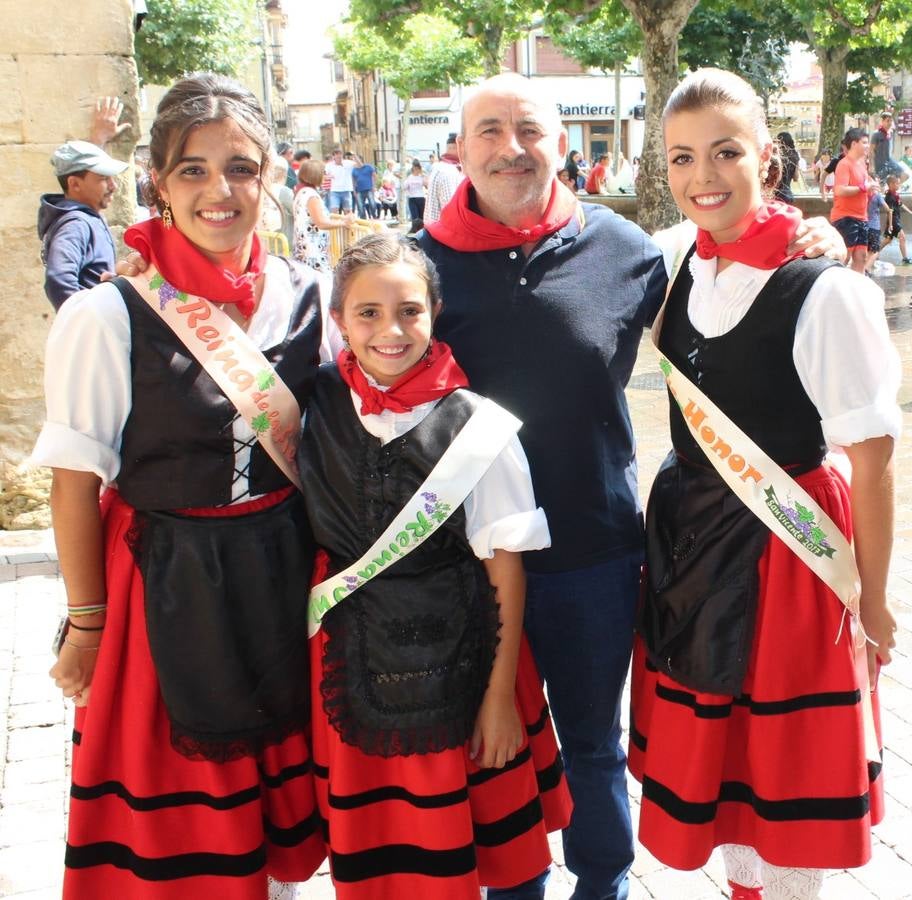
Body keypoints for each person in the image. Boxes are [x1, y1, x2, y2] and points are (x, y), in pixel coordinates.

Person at [416, 71, 843, 900]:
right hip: (460, 559)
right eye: (490, 132)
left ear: (562, 144)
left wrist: (805, 238)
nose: (512, 149)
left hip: (592, 549)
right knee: (488, 741)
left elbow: (729, 271)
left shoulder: (631, 250)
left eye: (530, 130)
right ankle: (512, 885)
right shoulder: (419, 270)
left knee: (590, 740)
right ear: (460, 150)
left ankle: (602, 883)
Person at [36, 73, 332, 899]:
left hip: (283, 569)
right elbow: (73, 482)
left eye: (240, 167)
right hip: (165, 582)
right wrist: (88, 624)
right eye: (193, 170)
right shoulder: (105, 317)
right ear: (158, 186)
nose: (220, 190)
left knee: (277, 801)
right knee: (184, 823)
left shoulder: (313, 298)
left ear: (270, 177)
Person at [630, 68, 898, 900]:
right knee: (722, 759)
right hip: (689, 543)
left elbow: (874, 463)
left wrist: (876, 602)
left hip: (788, 555)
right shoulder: (675, 265)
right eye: (681, 159)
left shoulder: (829, 293)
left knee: (784, 772)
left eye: (724, 153)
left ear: (767, 160)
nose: (701, 177)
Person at [300, 233, 573, 897]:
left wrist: (500, 700)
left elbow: (506, 568)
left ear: (435, 311)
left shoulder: (478, 428)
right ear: (339, 321)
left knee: (481, 845)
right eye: (367, 313)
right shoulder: (316, 403)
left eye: (410, 311)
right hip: (352, 659)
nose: (390, 331)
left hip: (461, 659)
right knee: (386, 855)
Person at [39, 141, 126, 309]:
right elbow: (59, 279)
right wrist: (86, 319)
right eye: (103, 178)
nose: (113, 186)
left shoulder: (88, 219)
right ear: (74, 184)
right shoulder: (76, 225)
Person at [294, 157, 349, 273]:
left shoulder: (301, 192)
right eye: (323, 173)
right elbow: (321, 223)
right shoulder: (311, 195)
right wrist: (344, 222)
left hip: (306, 248)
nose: (326, 176)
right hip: (313, 250)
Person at [831, 127, 872, 273]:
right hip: (845, 217)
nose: (868, 146)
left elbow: (865, 188)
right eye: (865, 142)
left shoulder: (861, 164)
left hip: (862, 217)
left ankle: (857, 291)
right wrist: (863, 187)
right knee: (844, 256)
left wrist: (871, 189)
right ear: (854, 144)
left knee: (862, 257)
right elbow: (840, 190)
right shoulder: (844, 164)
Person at [424, 134, 464, 225]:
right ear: (458, 146)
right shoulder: (449, 171)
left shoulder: (441, 168)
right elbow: (452, 209)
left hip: (434, 229)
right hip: (446, 232)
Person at [261, 151, 296, 252]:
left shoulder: (262, 189)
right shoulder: (284, 191)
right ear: (284, 174)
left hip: (265, 244)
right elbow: (299, 211)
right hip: (283, 246)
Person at [883, 172, 910, 263]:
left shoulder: (895, 194)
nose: (899, 185)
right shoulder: (889, 196)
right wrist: (890, 225)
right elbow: (890, 211)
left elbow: (900, 204)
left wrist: (911, 213)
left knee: (888, 239)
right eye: (897, 183)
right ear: (891, 184)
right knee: (902, 237)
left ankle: (873, 253)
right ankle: (905, 258)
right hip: (894, 221)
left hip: (894, 220)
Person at [326, 147, 356, 214]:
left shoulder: (348, 163)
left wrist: (354, 156)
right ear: (333, 156)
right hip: (334, 191)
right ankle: (336, 224)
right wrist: (328, 176)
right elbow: (324, 175)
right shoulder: (329, 165)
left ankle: (347, 224)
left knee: (348, 211)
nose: (339, 156)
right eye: (336, 154)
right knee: (334, 210)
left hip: (346, 190)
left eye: (340, 154)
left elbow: (360, 165)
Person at [774, 131, 800, 204]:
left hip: (776, 194)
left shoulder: (777, 154)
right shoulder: (795, 155)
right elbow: (796, 178)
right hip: (788, 195)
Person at [351, 152, 378, 219]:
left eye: (356, 159)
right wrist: (354, 190)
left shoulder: (368, 167)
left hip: (369, 188)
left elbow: (374, 176)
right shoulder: (354, 170)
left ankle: (374, 215)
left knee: (372, 203)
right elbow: (353, 181)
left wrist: (374, 186)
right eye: (354, 160)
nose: (355, 161)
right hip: (359, 190)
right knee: (360, 206)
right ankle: (363, 219)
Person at [404, 158, 428, 234]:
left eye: (418, 168)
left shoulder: (422, 177)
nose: (417, 170)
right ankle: (415, 232)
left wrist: (424, 177)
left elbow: (427, 185)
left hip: (421, 197)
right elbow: (405, 187)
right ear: (413, 168)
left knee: (421, 217)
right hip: (412, 198)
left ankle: (422, 232)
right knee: (415, 217)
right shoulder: (409, 177)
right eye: (415, 168)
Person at [871, 112, 894, 177]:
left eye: (891, 121)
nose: (890, 123)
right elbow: (871, 150)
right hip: (879, 165)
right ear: (882, 121)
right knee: (882, 184)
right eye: (888, 121)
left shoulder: (890, 133)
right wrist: (871, 166)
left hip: (889, 164)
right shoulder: (876, 134)